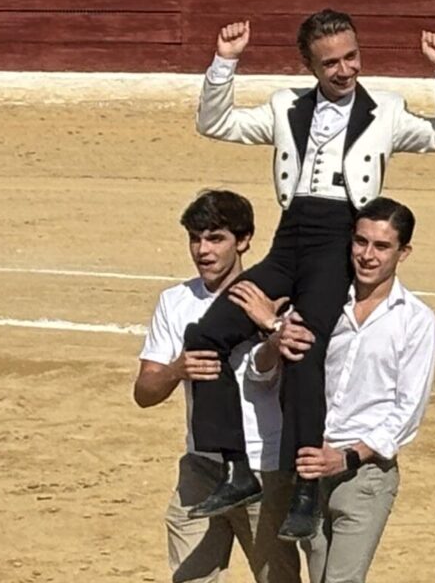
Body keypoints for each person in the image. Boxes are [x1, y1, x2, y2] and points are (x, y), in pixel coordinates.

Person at [184, 13, 435, 540]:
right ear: (309, 66)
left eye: (352, 56)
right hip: (289, 239)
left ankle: (306, 488)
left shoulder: (384, 110)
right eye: (331, 62)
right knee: (205, 334)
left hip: (336, 240)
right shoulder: (284, 106)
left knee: (304, 350)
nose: (345, 70)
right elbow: (214, 123)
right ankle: (236, 468)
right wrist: (225, 62)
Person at [256, 198, 435, 583]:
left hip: (364, 475)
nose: (367, 255)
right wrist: (274, 335)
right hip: (309, 467)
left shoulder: (416, 321)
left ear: (403, 252)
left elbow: (407, 412)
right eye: (360, 242)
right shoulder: (317, 305)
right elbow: (267, 375)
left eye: (381, 246)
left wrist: (348, 458)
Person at [134, 190, 298, 583]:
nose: (202, 250)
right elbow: (144, 392)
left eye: (215, 238)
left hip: (265, 468)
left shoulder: (274, 298)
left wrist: (274, 333)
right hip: (202, 466)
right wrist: (177, 370)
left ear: (243, 241)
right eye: (195, 238)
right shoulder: (175, 301)